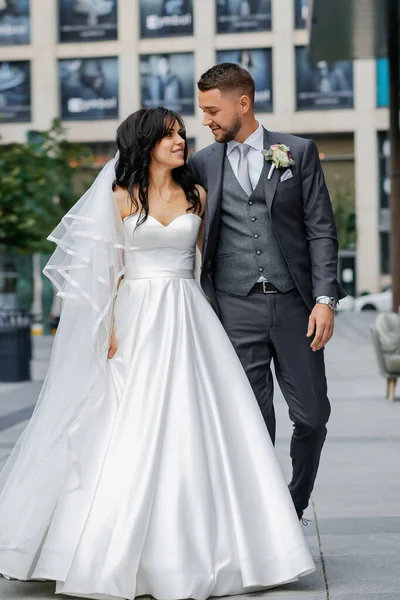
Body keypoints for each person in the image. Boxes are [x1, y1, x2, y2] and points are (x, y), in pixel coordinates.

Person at [0, 107, 314, 600]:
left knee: (201, 421)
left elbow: (205, 263)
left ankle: (233, 547)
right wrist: (105, 327)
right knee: (128, 422)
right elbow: (106, 270)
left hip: (190, 315)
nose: (180, 142)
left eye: (181, 135)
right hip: (135, 317)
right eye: (169, 136)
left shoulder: (198, 195)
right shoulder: (119, 198)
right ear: (144, 144)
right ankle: (98, 549)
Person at [189, 62, 346, 521]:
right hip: (234, 309)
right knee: (254, 425)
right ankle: (265, 523)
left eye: (213, 110)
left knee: (313, 417)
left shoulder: (297, 151)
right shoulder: (200, 163)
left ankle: (294, 500)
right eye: (202, 111)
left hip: (297, 308)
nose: (206, 120)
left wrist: (324, 299)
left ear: (244, 103)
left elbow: (321, 231)